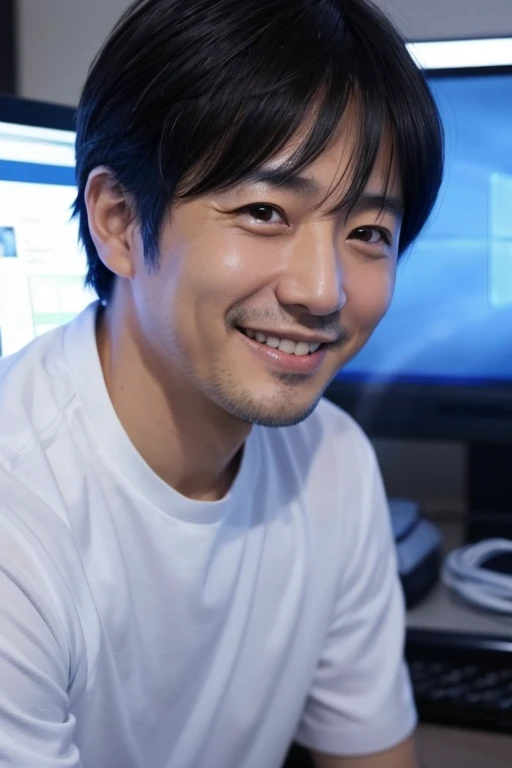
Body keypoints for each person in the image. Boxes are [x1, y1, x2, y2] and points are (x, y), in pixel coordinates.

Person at [0, 1, 443, 766]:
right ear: (117, 220)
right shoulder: (20, 521)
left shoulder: (332, 462)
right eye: (264, 211)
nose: (323, 290)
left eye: (368, 232)